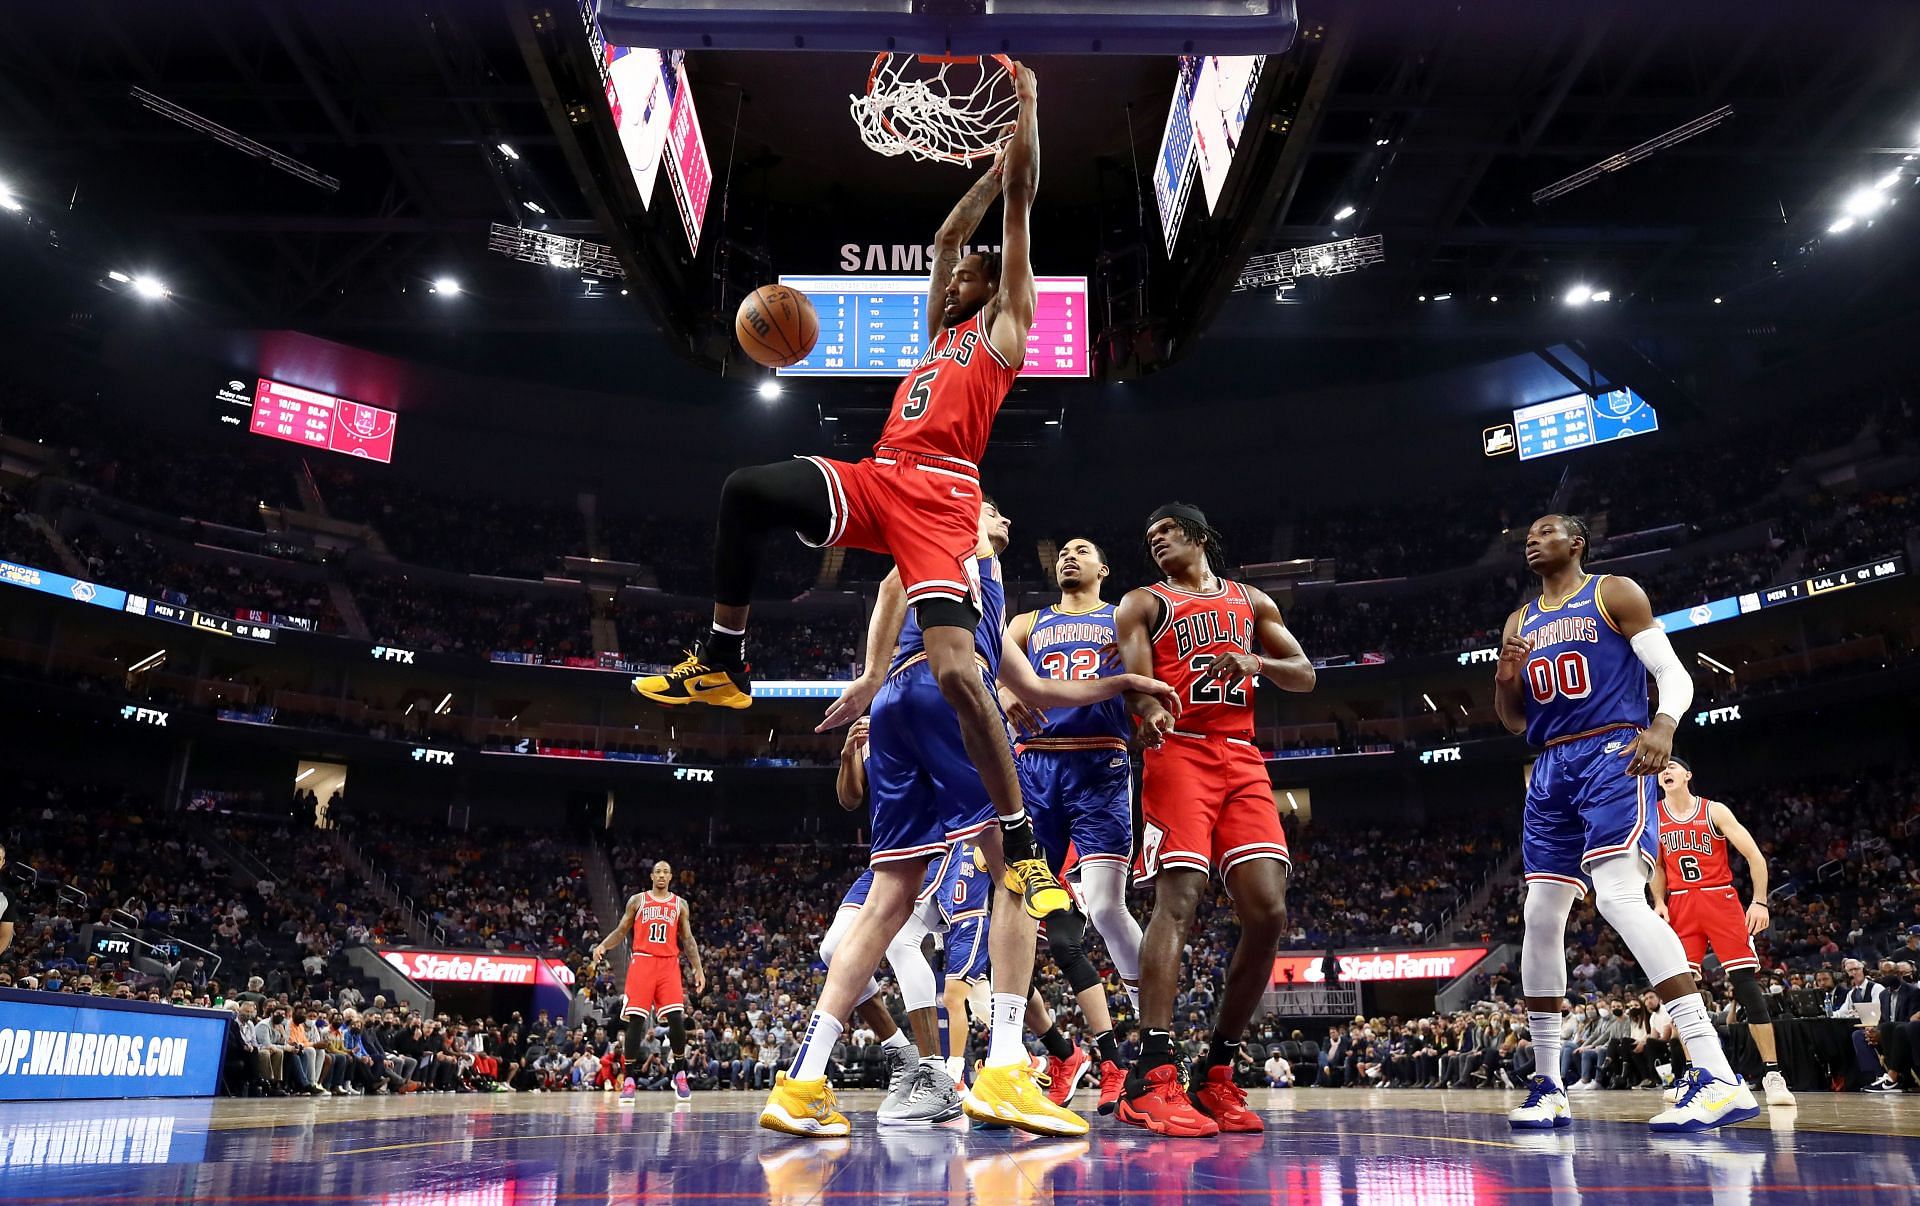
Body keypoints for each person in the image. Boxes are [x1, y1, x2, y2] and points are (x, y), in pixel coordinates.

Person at [632, 63, 1073, 931]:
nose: (954, 280)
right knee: (747, 489)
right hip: (878, 477)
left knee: (955, 671)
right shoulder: (939, 331)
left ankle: (1020, 844)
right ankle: (723, 660)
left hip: (944, 503)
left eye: (968, 277)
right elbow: (949, 236)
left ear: (998, 288)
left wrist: (1024, 113)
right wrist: (977, 179)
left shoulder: (1008, 327)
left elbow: (1020, 205)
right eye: (953, 279)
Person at [758, 499, 1176, 1138]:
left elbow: (1037, 689)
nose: (1003, 516)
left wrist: (1120, 687)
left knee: (888, 900)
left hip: (901, 709)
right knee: (1017, 867)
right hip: (947, 693)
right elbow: (895, 578)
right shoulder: (965, 536)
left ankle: (804, 1080)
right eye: (994, 508)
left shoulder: (990, 604)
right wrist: (869, 672)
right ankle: (1007, 1066)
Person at [1494, 514, 1757, 1133]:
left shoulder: (1613, 592)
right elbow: (1510, 719)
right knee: (1538, 914)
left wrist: (1663, 726)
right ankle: (1549, 1082)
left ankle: (1716, 1072)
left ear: (1576, 543)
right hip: (1550, 766)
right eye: (1528, 534)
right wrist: (1505, 680)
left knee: (1617, 897)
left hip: (1615, 749)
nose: (1532, 539)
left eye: (1546, 530)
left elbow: (1673, 674)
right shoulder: (1518, 620)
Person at [1113, 501, 1315, 1137]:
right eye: (1148, 537)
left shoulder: (1250, 601)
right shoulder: (1142, 603)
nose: (1155, 542)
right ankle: (1154, 1075)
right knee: (1179, 900)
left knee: (1268, 911)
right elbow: (1137, 688)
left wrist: (1257, 663)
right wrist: (1151, 720)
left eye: (1165, 531)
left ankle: (1218, 1070)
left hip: (1243, 755)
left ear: (1198, 535)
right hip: (1181, 754)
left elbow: (1305, 676)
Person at [1002, 536, 1147, 1114]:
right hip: (1034, 762)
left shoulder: (1124, 617)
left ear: (1103, 568)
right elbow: (980, 657)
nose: (1069, 555)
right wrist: (1004, 691)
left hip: (1099, 761)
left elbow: (1148, 679)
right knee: (1016, 901)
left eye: (1083, 550)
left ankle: (1153, 1036)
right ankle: (1041, 1056)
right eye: (1063, 550)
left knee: (1107, 908)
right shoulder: (1025, 621)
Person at [1648, 758, 1796, 1107]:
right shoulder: (1654, 814)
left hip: (1720, 898)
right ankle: (1697, 1075)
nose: (1665, 771)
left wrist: (1759, 902)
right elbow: (1656, 866)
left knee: (1746, 987)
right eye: (1661, 769)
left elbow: (1754, 856)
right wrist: (1658, 900)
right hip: (1681, 904)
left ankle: (1773, 1074)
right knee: (1683, 995)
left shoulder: (1714, 811)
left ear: (1688, 774)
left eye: (1672, 766)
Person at [590, 859, 706, 1102]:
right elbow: (622, 931)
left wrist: (698, 969)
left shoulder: (679, 904)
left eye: (666, 871)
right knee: (636, 1021)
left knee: (677, 1019)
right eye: (658, 872)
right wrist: (602, 945)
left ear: (671, 877)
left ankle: (680, 1072)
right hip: (642, 962)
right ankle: (630, 1079)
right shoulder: (638, 900)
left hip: (668, 964)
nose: (662, 875)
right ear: (652, 877)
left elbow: (688, 939)